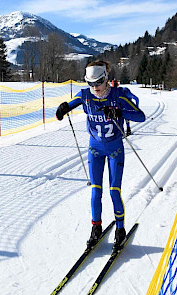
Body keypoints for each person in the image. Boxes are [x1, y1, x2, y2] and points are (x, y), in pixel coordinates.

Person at [55, 60, 146, 251]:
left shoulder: (118, 95)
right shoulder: (86, 95)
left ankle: (120, 229)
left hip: (114, 149)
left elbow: (140, 116)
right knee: (96, 190)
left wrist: (118, 111)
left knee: (114, 191)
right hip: (95, 148)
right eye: (90, 83)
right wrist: (62, 109)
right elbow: (68, 106)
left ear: (106, 79)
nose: (94, 87)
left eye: (98, 83)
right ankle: (96, 228)